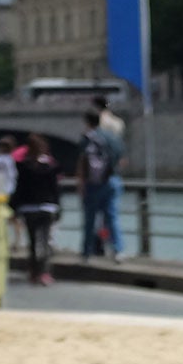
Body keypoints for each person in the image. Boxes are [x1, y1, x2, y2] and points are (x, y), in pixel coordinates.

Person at [10, 134, 60, 286]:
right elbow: (55, 189)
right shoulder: (50, 166)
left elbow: (20, 189)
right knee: (44, 241)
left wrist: (13, 206)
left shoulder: (24, 167)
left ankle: (33, 272)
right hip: (47, 207)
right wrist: (58, 207)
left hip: (29, 208)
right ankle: (44, 272)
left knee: (32, 243)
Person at [78, 109, 122, 259]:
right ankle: (117, 250)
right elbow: (121, 158)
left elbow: (82, 163)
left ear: (87, 122)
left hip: (92, 183)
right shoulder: (112, 137)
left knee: (90, 219)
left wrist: (81, 184)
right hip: (112, 180)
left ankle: (87, 253)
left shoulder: (87, 138)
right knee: (112, 217)